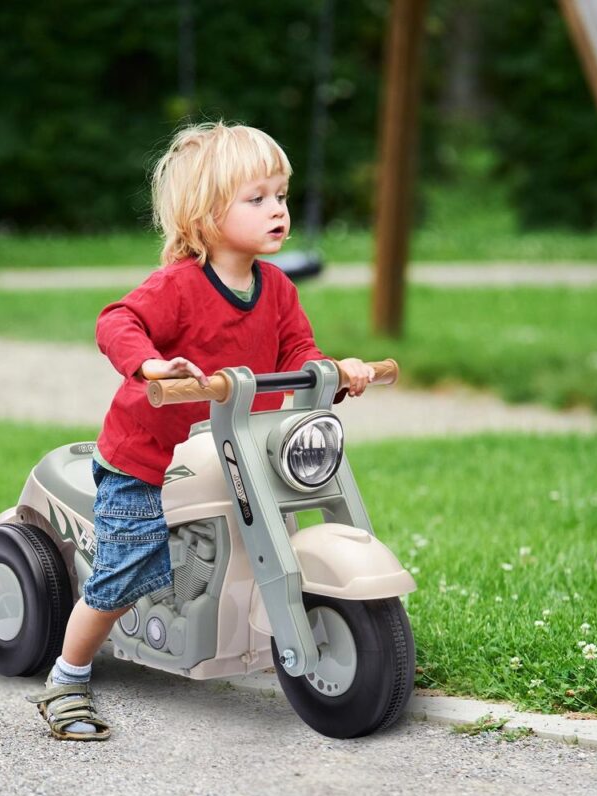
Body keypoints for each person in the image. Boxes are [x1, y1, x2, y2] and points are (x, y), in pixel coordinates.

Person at [26, 121, 374, 740]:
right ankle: (68, 678)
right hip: (150, 458)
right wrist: (152, 365)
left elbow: (300, 355)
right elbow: (118, 320)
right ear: (207, 216)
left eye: (281, 196)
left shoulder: (277, 290)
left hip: (237, 451)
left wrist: (336, 372)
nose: (278, 210)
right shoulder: (180, 287)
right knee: (125, 571)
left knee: (280, 525)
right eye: (257, 198)